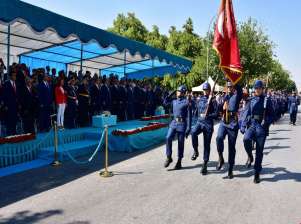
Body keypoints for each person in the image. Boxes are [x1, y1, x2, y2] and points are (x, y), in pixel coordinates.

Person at [240, 80, 274, 184]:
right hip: (252, 124)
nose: (257, 90)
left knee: (259, 151)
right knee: (246, 139)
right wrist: (243, 124)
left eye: (259, 88)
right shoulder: (251, 99)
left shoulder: (267, 100)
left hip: (261, 127)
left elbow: (272, 115)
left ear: (262, 89)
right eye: (256, 88)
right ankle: (250, 156)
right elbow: (246, 112)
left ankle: (257, 173)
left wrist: (266, 121)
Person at [215, 81, 243, 179]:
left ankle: (230, 169)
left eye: (231, 87)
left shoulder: (237, 96)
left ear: (233, 87)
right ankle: (220, 157)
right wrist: (218, 104)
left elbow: (240, 90)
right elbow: (218, 108)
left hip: (232, 123)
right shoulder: (224, 97)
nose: (229, 88)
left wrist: (235, 80)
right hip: (223, 121)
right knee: (219, 138)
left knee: (231, 147)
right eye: (228, 87)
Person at [190, 82, 218, 175]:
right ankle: (196, 151)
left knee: (206, 144)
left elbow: (216, 114)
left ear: (210, 90)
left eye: (207, 90)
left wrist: (208, 115)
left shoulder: (213, 100)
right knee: (193, 132)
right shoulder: (200, 99)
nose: (206, 92)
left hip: (208, 124)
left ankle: (205, 163)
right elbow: (197, 111)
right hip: (200, 122)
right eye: (204, 90)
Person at [163, 85, 192, 170]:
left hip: (182, 124)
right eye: (177, 91)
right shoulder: (174, 101)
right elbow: (165, 103)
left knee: (180, 143)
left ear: (183, 93)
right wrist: (169, 94)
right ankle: (169, 157)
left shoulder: (186, 102)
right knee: (168, 137)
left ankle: (179, 161)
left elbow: (189, 116)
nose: (177, 93)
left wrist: (189, 128)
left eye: (179, 91)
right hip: (174, 123)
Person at [2, 67, 19, 136]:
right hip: (9, 106)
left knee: (14, 120)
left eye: (15, 76)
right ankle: (9, 135)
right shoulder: (6, 84)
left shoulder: (17, 84)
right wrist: (5, 105)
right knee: (9, 121)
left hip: (15, 106)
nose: (15, 77)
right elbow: (4, 95)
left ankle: (14, 133)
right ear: (10, 76)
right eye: (14, 75)